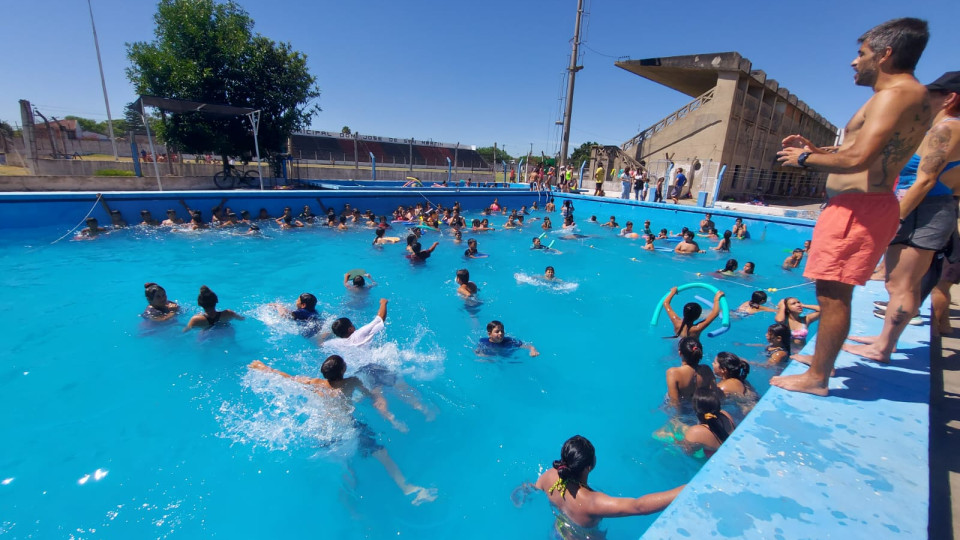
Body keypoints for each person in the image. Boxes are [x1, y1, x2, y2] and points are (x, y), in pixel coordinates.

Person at [772, 18, 932, 396]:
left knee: (831, 294)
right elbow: (869, 153)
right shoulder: (904, 97)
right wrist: (816, 149)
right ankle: (822, 362)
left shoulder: (896, 95)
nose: (853, 62)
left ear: (885, 54)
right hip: (862, 205)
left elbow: (858, 158)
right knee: (832, 292)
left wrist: (804, 160)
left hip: (857, 209)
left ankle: (818, 379)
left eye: (861, 54)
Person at [843, 72, 960, 362]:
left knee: (903, 284)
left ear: (950, 98)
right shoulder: (944, 128)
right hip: (924, 209)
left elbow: (925, 180)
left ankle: (883, 347)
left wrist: (897, 217)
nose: (924, 99)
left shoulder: (947, 129)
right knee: (895, 283)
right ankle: (885, 340)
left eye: (931, 94)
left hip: (922, 211)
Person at [248, 355, 436, 505]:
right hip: (348, 427)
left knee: (345, 468)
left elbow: (290, 379)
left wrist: (266, 369)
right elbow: (367, 394)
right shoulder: (352, 381)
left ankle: (349, 504)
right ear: (344, 370)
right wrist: (377, 396)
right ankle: (408, 488)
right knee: (382, 454)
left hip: (325, 432)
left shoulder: (315, 384)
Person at [532, 435, 683, 534]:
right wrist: (684, 490)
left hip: (559, 532)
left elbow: (534, 488)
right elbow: (639, 506)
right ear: (588, 467)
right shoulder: (592, 502)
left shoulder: (551, 475)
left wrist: (523, 491)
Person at [678, 388, 736, 458]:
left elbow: (687, 452)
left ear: (695, 410)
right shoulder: (726, 415)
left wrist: (674, 439)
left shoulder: (695, 432)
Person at [324, 298, 389, 347]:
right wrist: (383, 303)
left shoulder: (336, 343)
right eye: (352, 324)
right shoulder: (359, 334)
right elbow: (380, 318)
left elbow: (321, 344)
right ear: (350, 329)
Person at [665, 337, 709, 406]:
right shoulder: (706, 369)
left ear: (680, 353)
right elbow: (715, 394)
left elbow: (674, 402)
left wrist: (677, 416)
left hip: (683, 409)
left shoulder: (673, 372)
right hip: (702, 407)